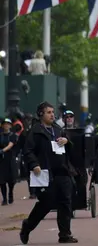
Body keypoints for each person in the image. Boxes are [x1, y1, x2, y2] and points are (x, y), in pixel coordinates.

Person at [19, 102, 77, 244]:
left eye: (52, 112)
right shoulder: (35, 131)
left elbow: (70, 149)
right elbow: (28, 151)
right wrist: (34, 164)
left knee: (65, 203)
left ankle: (64, 234)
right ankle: (27, 226)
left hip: (62, 171)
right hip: (45, 172)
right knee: (46, 203)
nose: (52, 114)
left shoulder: (58, 129)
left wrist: (67, 141)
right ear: (41, 114)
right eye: (48, 112)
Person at [0, 118, 18, 205]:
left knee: (11, 180)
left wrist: (3, 150)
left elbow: (10, 145)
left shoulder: (13, 135)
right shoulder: (0, 135)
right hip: (1, 160)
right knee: (1, 180)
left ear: (10, 125)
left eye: (8, 124)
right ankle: (4, 198)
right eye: (4, 124)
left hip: (10, 159)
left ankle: (10, 193)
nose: (6, 125)